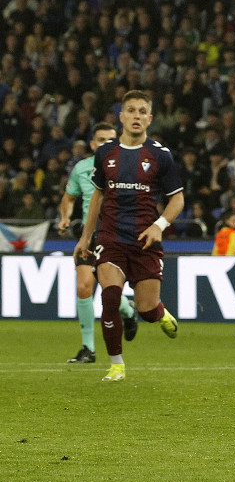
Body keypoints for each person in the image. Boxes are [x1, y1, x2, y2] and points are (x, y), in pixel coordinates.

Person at [74, 91, 184, 382]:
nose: (137, 116)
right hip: (110, 237)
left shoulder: (160, 155)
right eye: (131, 110)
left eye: (142, 111)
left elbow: (178, 200)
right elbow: (97, 195)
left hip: (145, 240)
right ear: (122, 117)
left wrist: (160, 224)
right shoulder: (106, 152)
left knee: (146, 309)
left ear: (150, 118)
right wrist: (86, 237)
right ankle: (117, 364)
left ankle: (158, 314)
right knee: (110, 297)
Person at [58, 122, 138, 363]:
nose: (105, 143)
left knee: (108, 289)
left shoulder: (127, 165)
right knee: (84, 287)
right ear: (92, 144)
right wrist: (64, 217)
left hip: (115, 234)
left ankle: (128, 309)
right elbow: (69, 197)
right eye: (100, 139)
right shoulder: (81, 168)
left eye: (109, 139)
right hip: (89, 234)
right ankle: (88, 349)